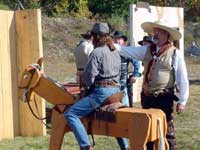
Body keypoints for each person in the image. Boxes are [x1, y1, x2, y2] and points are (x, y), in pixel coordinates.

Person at [119, 19, 189, 150]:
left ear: (167, 34)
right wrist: (113, 46)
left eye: (159, 32)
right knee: (148, 132)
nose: (155, 34)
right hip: (148, 98)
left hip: (164, 98)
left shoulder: (175, 53)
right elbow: (127, 51)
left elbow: (182, 78)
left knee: (167, 133)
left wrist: (183, 100)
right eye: (154, 31)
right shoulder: (147, 50)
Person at [64, 22, 121, 150]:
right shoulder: (115, 52)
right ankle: (125, 147)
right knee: (119, 123)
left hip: (102, 92)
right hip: (117, 92)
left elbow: (89, 78)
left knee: (70, 114)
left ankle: (86, 146)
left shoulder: (96, 52)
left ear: (95, 37)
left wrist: (84, 85)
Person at [112, 30, 141, 150]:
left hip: (123, 89)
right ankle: (124, 146)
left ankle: (131, 145)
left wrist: (135, 74)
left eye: (119, 39)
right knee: (114, 118)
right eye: (115, 39)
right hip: (111, 89)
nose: (117, 40)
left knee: (126, 117)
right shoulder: (110, 51)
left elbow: (137, 63)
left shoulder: (126, 51)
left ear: (123, 41)